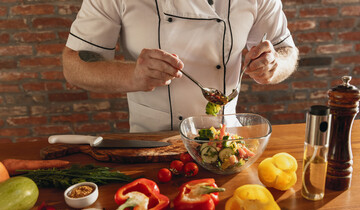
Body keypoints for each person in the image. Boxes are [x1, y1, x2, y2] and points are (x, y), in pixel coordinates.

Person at [62, 0, 299, 133]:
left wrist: (274, 65)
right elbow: (73, 65)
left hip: (225, 139)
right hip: (151, 142)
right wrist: (133, 75)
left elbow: (287, 51)